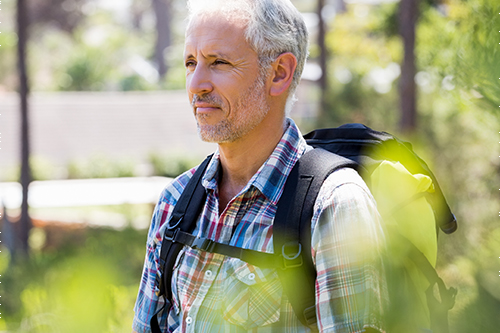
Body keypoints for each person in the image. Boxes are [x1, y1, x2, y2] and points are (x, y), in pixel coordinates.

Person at [133, 0, 387, 332]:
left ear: (279, 73)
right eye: (191, 62)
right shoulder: (174, 201)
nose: (196, 84)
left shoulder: (334, 206)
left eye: (219, 62)